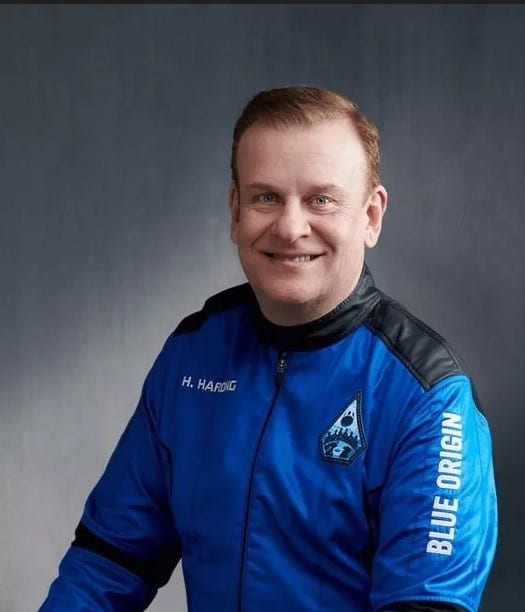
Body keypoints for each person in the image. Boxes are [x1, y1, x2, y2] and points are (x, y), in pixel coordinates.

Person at [40, 86, 497, 611]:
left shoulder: (427, 397)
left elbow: (424, 604)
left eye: (321, 200)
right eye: (266, 198)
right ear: (236, 212)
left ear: (371, 216)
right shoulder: (193, 355)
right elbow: (109, 560)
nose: (290, 227)